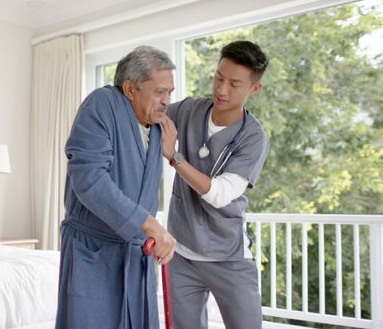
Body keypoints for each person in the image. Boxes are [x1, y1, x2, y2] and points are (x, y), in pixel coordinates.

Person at [55, 46, 178, 329]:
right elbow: (89, 179)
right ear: (130, 88)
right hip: (94, 252)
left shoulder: (157, 124)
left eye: (170, 92)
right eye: (160, 91)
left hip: (137, 253)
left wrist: (175, 155)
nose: (167, 101)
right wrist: (149, 225)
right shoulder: (101, 105)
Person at [160, 40, 269, 329]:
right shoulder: (189, 110)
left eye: (234, 84)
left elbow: (219, 194)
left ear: (253, 89)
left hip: (227, 256)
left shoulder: (253, 138)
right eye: (219, 78)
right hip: (181, 253)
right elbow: (152, 117)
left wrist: (175, 158)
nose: (222, 90)